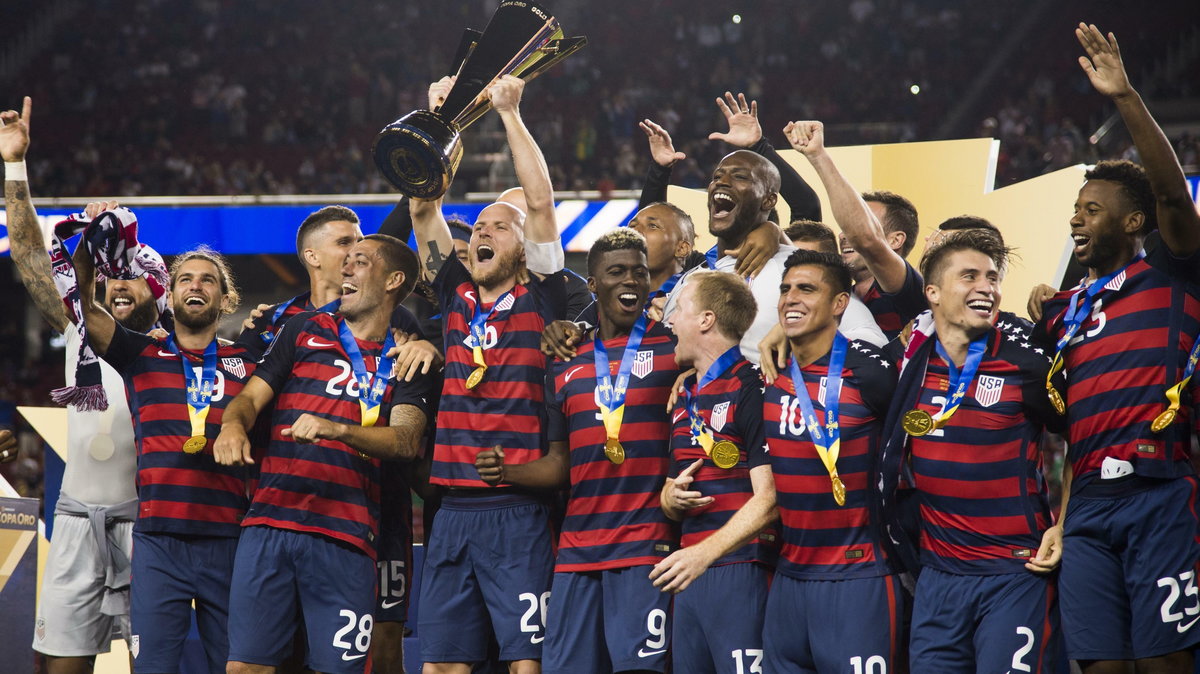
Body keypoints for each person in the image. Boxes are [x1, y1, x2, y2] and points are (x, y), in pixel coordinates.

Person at [1028, 25, 1200, 673]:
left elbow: (1170, 196)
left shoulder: (1174, 275)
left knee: (1164, 666)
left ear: (1133, 223)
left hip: (1159, 492)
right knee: (1098, 667)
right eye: (1075, 208)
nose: (1076, 217)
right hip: (1088, 507)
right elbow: (1074, 431)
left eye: (1092, 209)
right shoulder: (1064, 312)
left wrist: (1125, 97)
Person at [409, 74, 588, 673]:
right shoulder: (454, 297)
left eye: (499, 227)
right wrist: (444, 120)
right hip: (454, 507)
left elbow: (539, 203)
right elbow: (422, 204)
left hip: (521, 508)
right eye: (480, 225)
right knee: (440, 663)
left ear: (524, 248)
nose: (484, 231)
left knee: (525, 663)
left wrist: (509, 112)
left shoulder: (545, 299)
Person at [214, 235, 433, 674]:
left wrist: (336, 430)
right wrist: (232, 426)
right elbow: (250, 398)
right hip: (270, 524)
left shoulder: (409, 356)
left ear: (393, 281)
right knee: (245, 668)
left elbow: (406, 441)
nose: (346, 269)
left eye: (360, 262)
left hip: (347, 536)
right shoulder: (303, 329)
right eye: (345, 260)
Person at [476, 229, 680, 674]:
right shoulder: (566, 357)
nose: (631, 281)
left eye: (640, 273)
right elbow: (560, 463)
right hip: (577, 550)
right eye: (617, 272)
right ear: (592, 285)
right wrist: (508, 471)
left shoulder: (675, 349)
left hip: (647, 546)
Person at [3, 96, 156, 673]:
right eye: (109, 277)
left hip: (151, 529)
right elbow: (27, 254)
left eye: (133, 278)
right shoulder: (79, 332)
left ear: (156, 288)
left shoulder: (172, 350)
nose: (119, 286)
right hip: (75, 524)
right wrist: (15, 167)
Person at [880, 230, 1066, 671]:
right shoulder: (907, 362)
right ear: (933, 293)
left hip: (1016, 572)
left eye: (993, 277)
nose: (987, 286)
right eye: (970, 276)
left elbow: (1083, 434)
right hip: (937, 577)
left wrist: (1066, 522)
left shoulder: (1028, 363)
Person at [75, 242, 253, 673]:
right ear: (169, 296)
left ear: (225, 299)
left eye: (208, 279)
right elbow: (83, 305)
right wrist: (86, 243)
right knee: (153, 666)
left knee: (237, 666)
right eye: (185, 280)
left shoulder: (250, 363)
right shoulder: (140, 353)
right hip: (158, 544)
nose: (196, 285)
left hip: (231, 541)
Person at [761, 249, 904, 671]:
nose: (790, 298)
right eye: (785, 290)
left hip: (860, 575)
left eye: (806, 289)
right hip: (788, 578)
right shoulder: (771, 375)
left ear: (840, 303)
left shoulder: (871, 371)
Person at [648, 271, 777, 674]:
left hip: (742, 568)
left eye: (680, 310)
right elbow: (669, 498)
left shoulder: (752, 388)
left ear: (706, 319)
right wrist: (671, 498)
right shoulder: (685, 396)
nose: (670, 321)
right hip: (690, 570)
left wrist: (703, 555)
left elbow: (770, 498)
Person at [784, 120, 927, 339]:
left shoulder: (911, 291)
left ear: (895, 240)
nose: (844, 235)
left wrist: (818, 156)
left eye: (865, 223)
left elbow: (866, 240)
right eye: (844, 226)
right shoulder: (833, 297)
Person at [662, 149, 795, 365]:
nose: (721, 182)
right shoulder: (690, 280)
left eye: (740, 176)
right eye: (716, 176)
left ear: (769, 201)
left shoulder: (794, 268)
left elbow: (860, 336)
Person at [785, 219, 887, 347]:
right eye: (789, 260)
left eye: (809, 261)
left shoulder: (844, 302)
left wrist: (809, 339)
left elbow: (875, 340)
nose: (798, 270)